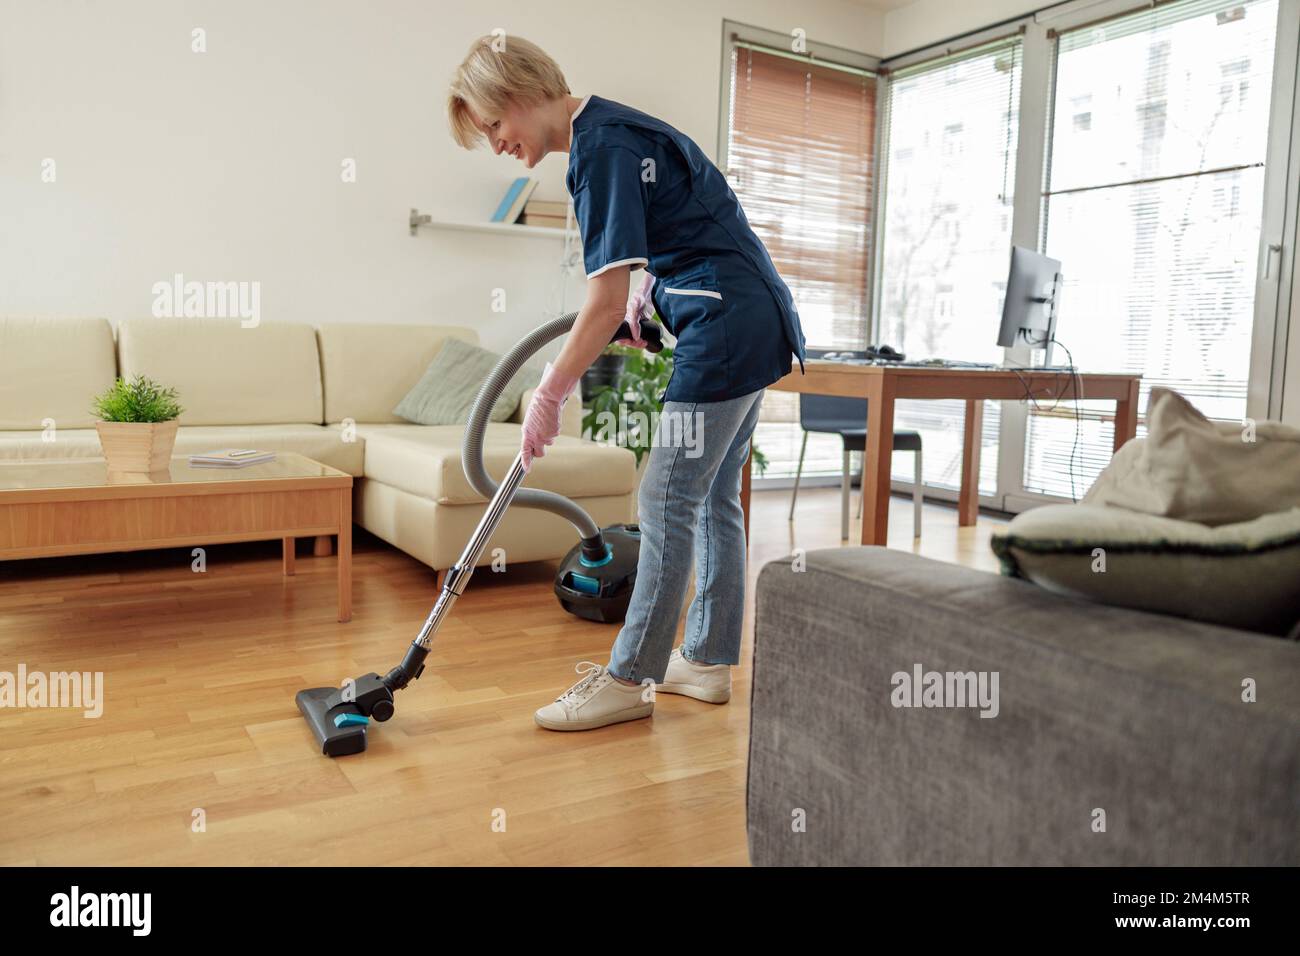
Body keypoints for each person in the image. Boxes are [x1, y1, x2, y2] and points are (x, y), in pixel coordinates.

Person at [447, 34, 806, 732]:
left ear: (518, 92)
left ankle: (627, 677)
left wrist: (550, 389)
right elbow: (677, 246)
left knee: (666, 492)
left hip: (726, 330)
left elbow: (604, 301)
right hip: (751, 317)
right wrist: (654, 296)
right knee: (709, 501)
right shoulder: (612, 131)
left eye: (493, 124)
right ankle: (702, 662)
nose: (495, 143)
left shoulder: (601, 148)